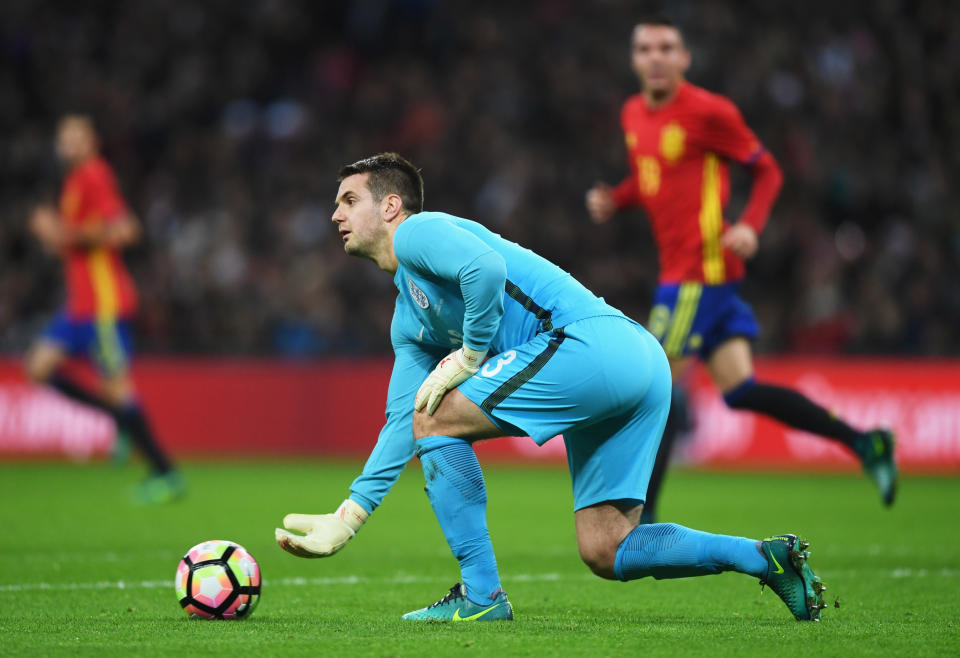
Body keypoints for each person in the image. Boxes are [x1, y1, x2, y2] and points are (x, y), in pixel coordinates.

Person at [275, 152, 827, 623]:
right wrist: (351, 516)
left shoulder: (420, 232)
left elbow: (485, 270)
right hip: (637, 362)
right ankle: (762, 558)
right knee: (605, 547)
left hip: (590, 344)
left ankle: (481, 596)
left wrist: (469, 355)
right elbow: (404, 419)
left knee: (439, 417)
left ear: (390, 206)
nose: (335, 214)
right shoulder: (407, 319)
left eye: (349, 200)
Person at [585, 17, 897, 516]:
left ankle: (645, 518)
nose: (656, 57)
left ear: (685, 58)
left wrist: (751, 224)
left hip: (698, 272)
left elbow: (767, 169)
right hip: (699, 276)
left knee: (653, 385)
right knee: (741, 390)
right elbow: (652, 180)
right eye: (645, 48)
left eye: (667, 47)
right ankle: (865, 442)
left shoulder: (710, 111)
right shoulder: (632, 114)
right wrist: (617, 199)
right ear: (634, 60)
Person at [25, 114, 184, 504]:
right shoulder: (73, 182)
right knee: (38, 367)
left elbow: (126, 228)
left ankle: (166, 472)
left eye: (77, 138)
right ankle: (119, 420)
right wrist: (57, 236)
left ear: (92, 141)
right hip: (78, 305)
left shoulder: (95, 174)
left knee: (118, 390)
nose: (69, 145)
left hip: (103, 304)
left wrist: (61, 232)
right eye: (64, 139)